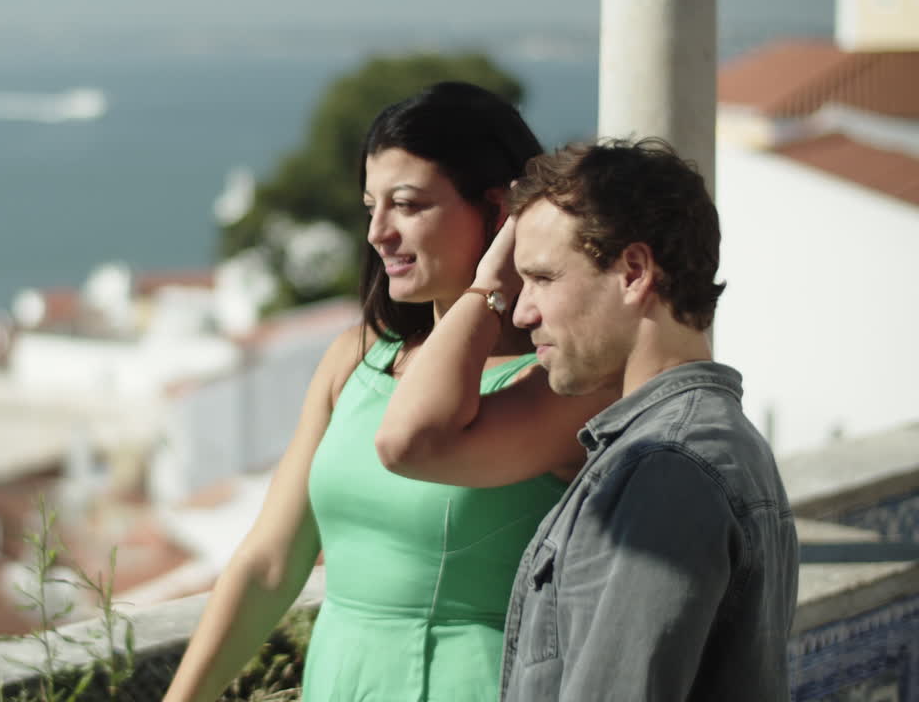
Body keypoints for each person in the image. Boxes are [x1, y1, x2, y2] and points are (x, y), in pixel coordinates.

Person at [161, 82, 613, 702]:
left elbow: (416, 439)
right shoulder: (356, 360)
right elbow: (269, 564)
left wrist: (490, 288)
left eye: (406, 204)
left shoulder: (563, 383)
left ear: (500, 212)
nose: (378, 232)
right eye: (371, 206)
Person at [435, 138, 796, 701]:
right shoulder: (708, 443)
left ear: (633, 272)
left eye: (543, 279)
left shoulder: (669, 470)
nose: (523, 310)